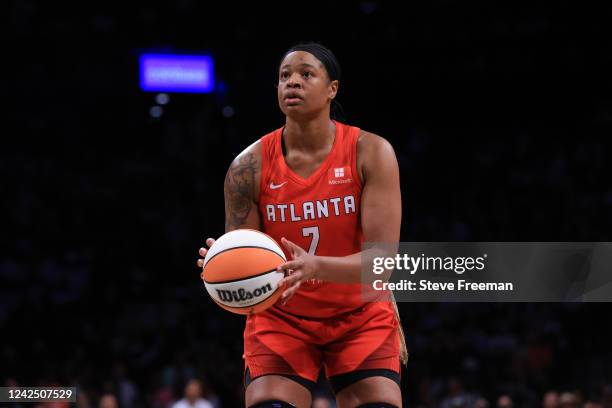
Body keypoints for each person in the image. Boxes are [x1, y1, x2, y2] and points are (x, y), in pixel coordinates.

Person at [197, 42, 406, 408]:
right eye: (284, 76)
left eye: (306, 74)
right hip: (282, 317)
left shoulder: (370, 152)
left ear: (332, 89)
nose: (292, 82)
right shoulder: (247, 168)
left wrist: (315, 266)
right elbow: (244, 254)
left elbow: (382, 266)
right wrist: (224, 263)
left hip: (359, 314)